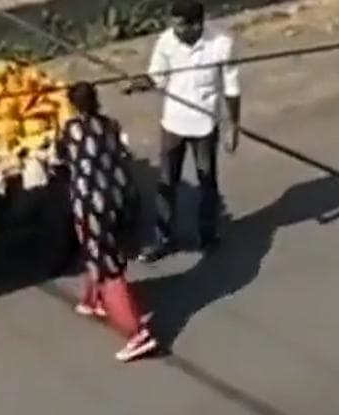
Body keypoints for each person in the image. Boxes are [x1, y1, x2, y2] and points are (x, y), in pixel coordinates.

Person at [54, 81, 159, 362]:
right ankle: (94, 300)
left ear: (73, 105)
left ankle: (136, 333)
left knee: (106, 265)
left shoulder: (71, 130)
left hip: (92, 205)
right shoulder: (110, 124)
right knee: (98, 249)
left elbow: (61, 159)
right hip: (117, 198)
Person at [130, 0, 242, 262]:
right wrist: (140, 83)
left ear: (197, 24)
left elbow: (231, 89)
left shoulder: (222, 44)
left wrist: (232, 125)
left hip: (205, 124)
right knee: (166, 181)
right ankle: (163, 239)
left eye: (180, 25)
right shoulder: (166, 41)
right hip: (173, 123)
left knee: (206, 181)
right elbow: (157, 76)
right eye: (173, 24)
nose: (174, 30)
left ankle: (207, 234)